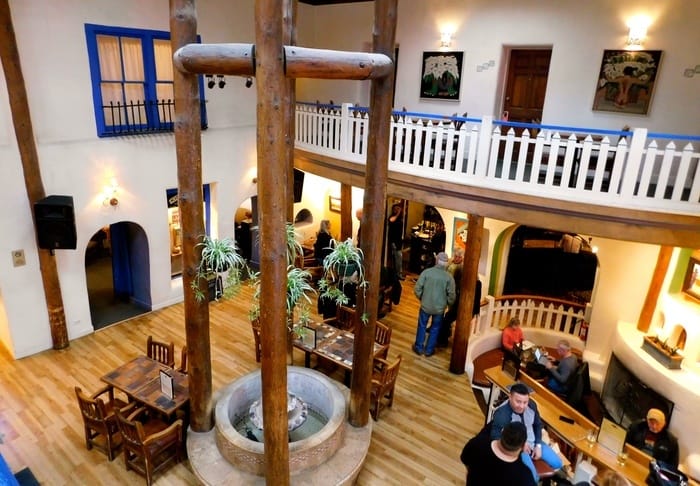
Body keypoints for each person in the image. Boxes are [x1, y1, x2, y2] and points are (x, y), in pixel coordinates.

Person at [491, 382, 564, 482]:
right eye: (518, 401)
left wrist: (538, 445)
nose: (522, 406)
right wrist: (520, 445)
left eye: (525, 402)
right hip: (516, 448)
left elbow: (538, 425)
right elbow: (495, 437)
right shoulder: (502, 414)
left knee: (558, 463)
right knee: (532, 477)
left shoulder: (532, 405)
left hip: (533, 441)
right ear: (510, 397)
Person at [461, 421, 536, 486]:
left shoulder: (477, 444)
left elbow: (466, 461)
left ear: (502, 432)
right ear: (523, 446)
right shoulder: (524, 477)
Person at [412, 251, 455, 357]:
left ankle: (419, 347)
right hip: (439, 309)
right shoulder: (449, 278)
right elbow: (452, 295)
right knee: (435, 328)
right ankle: (429, 350)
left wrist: (422, 298)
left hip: (425, 306)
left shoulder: (426, 272)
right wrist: (448, 304)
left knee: (422, 325)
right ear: (446, 263)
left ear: (436, 261)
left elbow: (417, 288)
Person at [387, 203, 405, 280]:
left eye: (398, 209)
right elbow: (391, 220)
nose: (397, 210)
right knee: (398, 258)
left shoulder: (400, 218)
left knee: (398, 258)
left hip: (398, 241)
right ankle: (398, 274)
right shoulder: (392, 217)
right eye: (395, 209)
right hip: (394, 241)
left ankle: (397, 274)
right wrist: (398, 213)